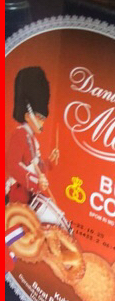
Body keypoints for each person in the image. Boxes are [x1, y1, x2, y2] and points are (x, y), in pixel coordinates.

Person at [6, 67, 55, 205]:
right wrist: (36, 181)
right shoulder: (19, 135)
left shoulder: (32, 139)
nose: (43, 122)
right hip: (13, 197)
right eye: (40, 118)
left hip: (26, 197)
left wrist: (49, 162)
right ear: (28, 116)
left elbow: (36, 167)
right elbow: (12, 166)